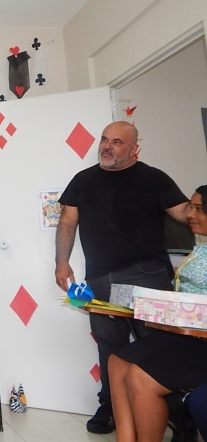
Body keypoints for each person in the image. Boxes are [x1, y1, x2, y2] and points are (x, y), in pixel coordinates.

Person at [54, 121, 189, 434]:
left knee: (157, 346)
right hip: (100, 280)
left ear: (134, 149)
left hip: (146, 277)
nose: (107, 146)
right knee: (109, 347)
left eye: (117, 142)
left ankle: (175, 411)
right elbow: (67, 222)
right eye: (105, 140)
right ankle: (110, 407)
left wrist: (200, 207)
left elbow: (185, 213)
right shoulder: (83, 180)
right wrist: (61, 263)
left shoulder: (154, 178)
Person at [109, 185, 207, 442]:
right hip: (186, 335)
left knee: (139, 378)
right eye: (191, 207)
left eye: (198, 209)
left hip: (201, 342)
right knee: (117, 363)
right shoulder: (201, 249)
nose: (190, 215)